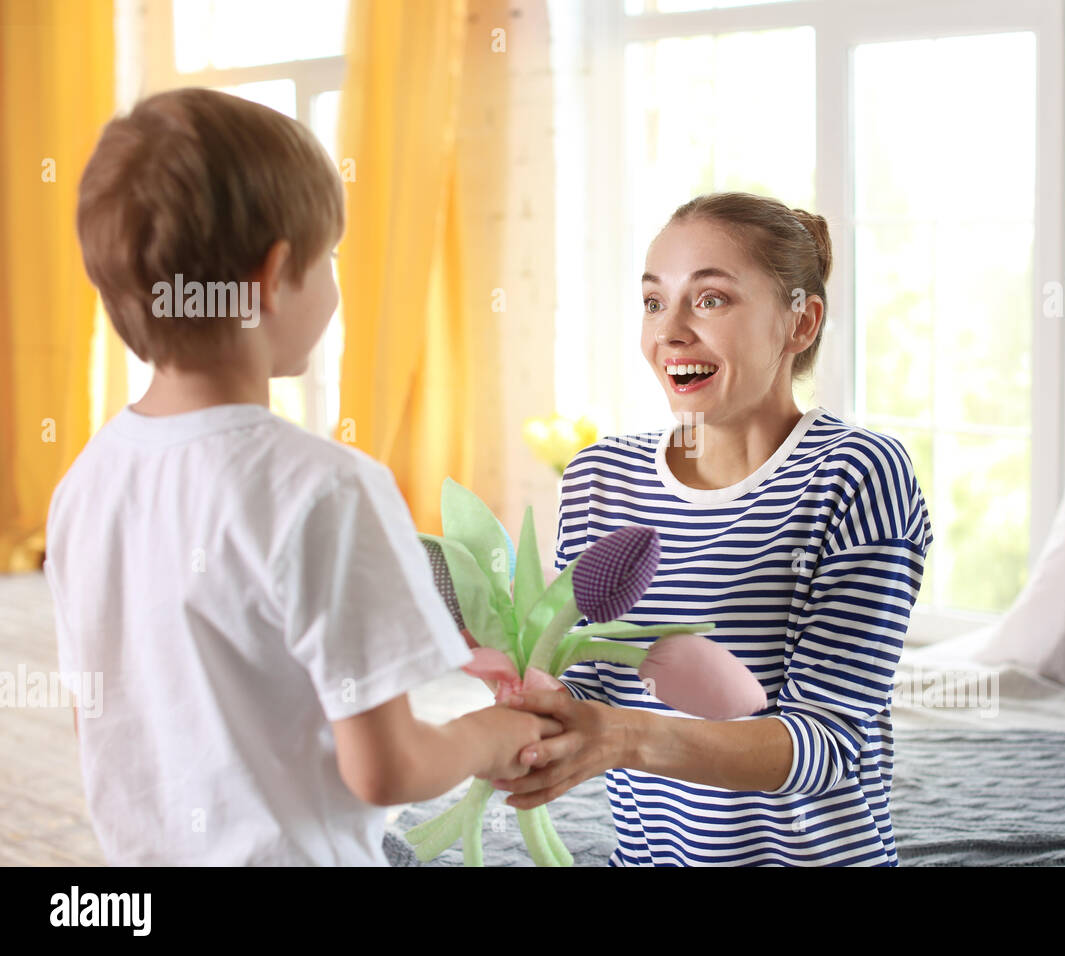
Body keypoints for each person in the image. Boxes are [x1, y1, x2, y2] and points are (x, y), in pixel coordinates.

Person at [45, 87, 559, 865]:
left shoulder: (84, 484)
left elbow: (107, 716)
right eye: (332, 258)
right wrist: (491, 732)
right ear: (276, 273)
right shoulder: (327, 486)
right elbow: (387, 768)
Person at [495, 192, 934, 866]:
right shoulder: (598, 477)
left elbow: (826, 742)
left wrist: (620, 738)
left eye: (709, 300)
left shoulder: (856, 474)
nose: (667, 332)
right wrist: (539, 695)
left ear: (800, 322)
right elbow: (587, 678)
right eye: (652, 302)